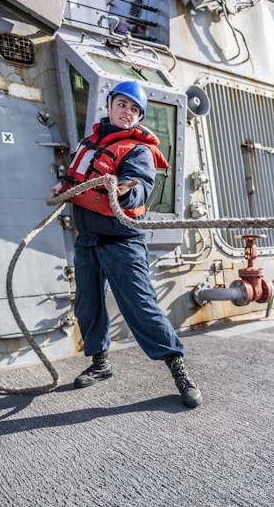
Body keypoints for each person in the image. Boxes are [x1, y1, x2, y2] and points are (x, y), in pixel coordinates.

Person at [51, 80, 202, 408]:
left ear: (139, 117)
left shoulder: (138, 150)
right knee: (87, 307)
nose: (127, 112)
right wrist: (62, 185)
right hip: (88, 241)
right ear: (109, 106)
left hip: (121, 241)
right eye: (123, 105)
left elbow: (140, 188)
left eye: (135, 109)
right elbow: (75, 178)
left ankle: (178, 368)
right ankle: (101, 364)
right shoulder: (89, 143)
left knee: (141, 307)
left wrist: (124, 192)